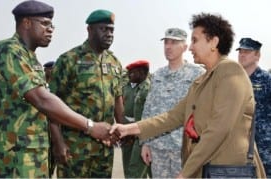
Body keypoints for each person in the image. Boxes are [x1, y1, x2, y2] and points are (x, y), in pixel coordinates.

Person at [110, 12, 266, 178]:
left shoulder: (230, 72)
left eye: (195, 40)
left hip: (228, 169)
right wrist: (128, 129)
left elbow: (218, 129)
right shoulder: (202, 81)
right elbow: (172, 117)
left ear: (213, 42)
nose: (190, 47)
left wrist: (185, 173)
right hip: (209, 168)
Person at [0, 1, 113, 178]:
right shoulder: (8, 50)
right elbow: (42, 99)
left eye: (51, 25)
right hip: (6, 158)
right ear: (27, 23)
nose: (50, 29)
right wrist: (90, 126)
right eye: (45, 23)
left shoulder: (30, 58)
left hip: (28, 155)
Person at [48, 9, 123, 178]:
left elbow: (117, 99)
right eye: (104, 29)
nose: (109, 34)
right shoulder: (69, 60)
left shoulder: (114, 62)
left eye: (112, 30)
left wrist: (123, 129)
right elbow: (52, 105)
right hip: (75, 147)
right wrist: (58, 143)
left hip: (104, 149)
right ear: (89, 30)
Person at [140, 28, 205, 178]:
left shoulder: (197, 74)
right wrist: (145, 143)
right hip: (158, 146)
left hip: (184, 147)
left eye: (174, 42)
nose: (168, 47)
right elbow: (148, 109)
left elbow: (204, 111)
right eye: (166, 43)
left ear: (184, 47)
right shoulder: (157, 75)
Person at [237, 37, 271, 177]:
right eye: (240, 51)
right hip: (239, 143)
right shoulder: (234, 80)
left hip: (264, 144)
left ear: (257, 55)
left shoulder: (267, 80)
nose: (242, 54)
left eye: (247, 51)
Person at [121, 59, 152, 178]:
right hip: (127, 131)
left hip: (141, 133)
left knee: (140, 167)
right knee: (127, 163)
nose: (129, 75)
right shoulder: (127, 87)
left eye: (132, 72)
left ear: (142, 73)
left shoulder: (147, 88)